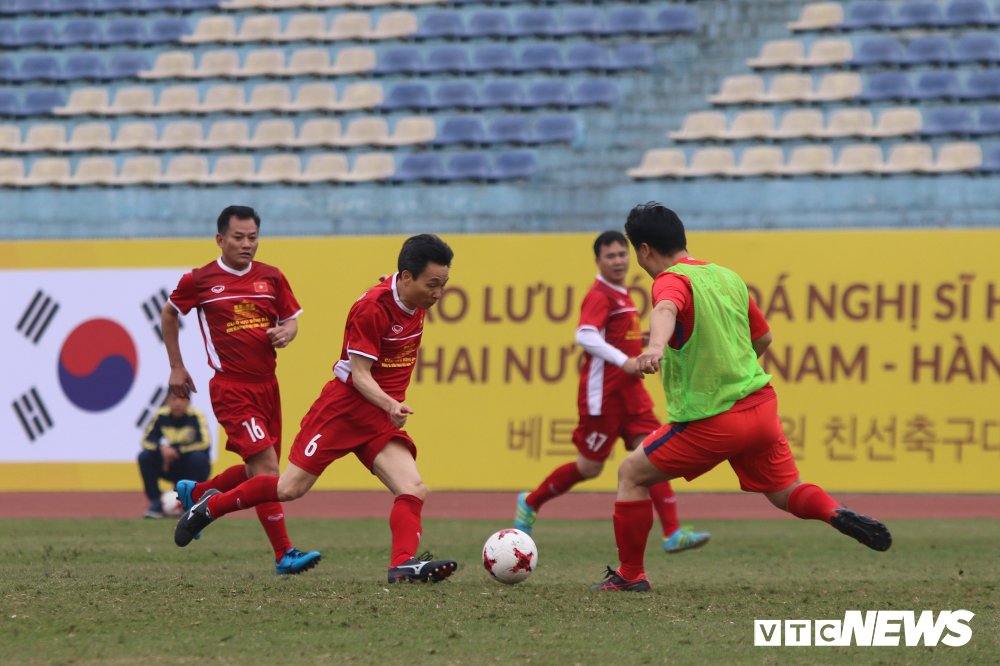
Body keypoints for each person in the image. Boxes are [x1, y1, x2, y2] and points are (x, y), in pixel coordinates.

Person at [593, 203, 892, 592]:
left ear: (644, 250)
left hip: (712, 422)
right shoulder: (727, 277)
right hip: (761, 408)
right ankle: (833, 512)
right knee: (786, 492)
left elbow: (665, 308)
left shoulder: (669, 280)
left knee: (631, 474)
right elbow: (764, 337)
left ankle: (631, 574)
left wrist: (656, 347)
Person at [174, 234, 460, 584]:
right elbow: (359, 375)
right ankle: (210, 507)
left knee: (413, 488)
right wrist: (391, 403)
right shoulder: (372, 308)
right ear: (406, 277)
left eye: (443, 285)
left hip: (378, 419)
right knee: (288, 489)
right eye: (432, 285)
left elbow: (395, 294)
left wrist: (386, 409)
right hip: (343, 410)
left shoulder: (413, 301)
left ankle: (403, 564)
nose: (438, 294)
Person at [514, 231, 710, 554]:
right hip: (602, 397)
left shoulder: (622, 294)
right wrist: (626, 360)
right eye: (611, 256)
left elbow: (617, 334)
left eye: (622, 254)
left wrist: (640, 339)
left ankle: (672, 532)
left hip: (631, 396)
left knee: (653, 455)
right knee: (589, 467)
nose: (618, 261)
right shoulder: (600, 294)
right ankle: (531, 501)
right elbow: (585, 336)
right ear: (598, 261)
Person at [160, 204, 320, 576]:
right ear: (220, 239)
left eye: (253, 237)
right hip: (232, 388)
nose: (247, 244)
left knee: (259, 473)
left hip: (268, 386)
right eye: (239, 237)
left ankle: (198, 493)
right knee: (267, 473)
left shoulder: (272, 277)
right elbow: (169, 314)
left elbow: (291, 320)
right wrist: (176, 367)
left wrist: (287, 333)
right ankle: (284, 554)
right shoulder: (199, 280)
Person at [138, 393, 211, 519]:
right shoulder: (161, 415)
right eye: (174, 398)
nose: (178, 403)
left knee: (198, 459)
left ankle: (194, 504)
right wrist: (161, 448)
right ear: (167, 401)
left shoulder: (197, 416)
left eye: (182, 399)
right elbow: (146, 440)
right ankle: (155, 502)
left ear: (189, 401)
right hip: (169, 466)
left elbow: (204, 443)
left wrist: (177, 451)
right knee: (144, 457)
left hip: (189, 467)